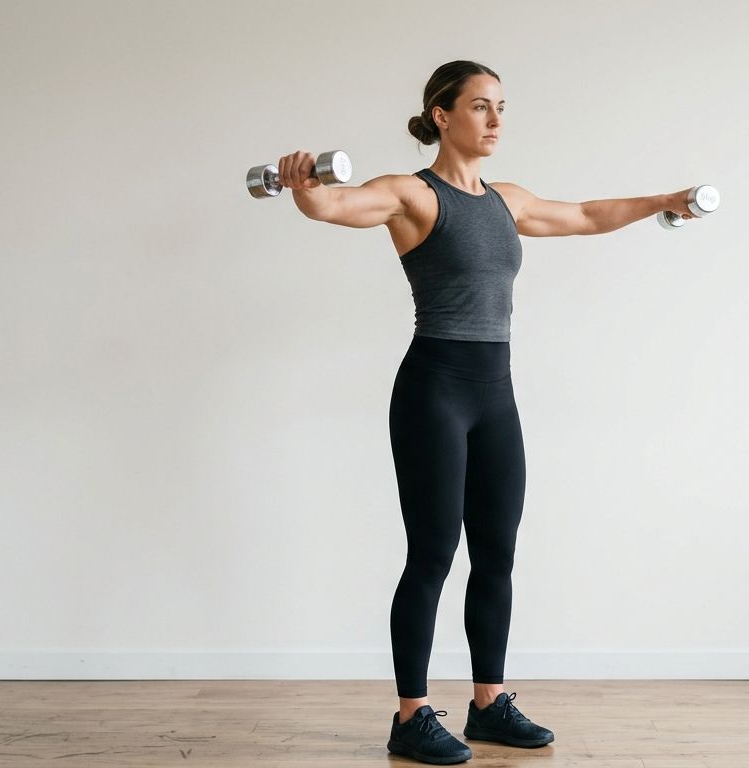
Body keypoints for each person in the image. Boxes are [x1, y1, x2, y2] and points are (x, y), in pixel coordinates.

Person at [275, 60, 699, 765]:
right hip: (434, 391)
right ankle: (411, 716)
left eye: (501, 106)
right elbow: (334, 207)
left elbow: (588, 215)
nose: (496, 119)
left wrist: (664, 199)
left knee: (497, 554)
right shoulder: (411, 194)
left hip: (494, 395)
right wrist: (304, 187)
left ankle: (489, 704)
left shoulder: (506, 199)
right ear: (442, 115)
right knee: (434, 554)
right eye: (480, 106)